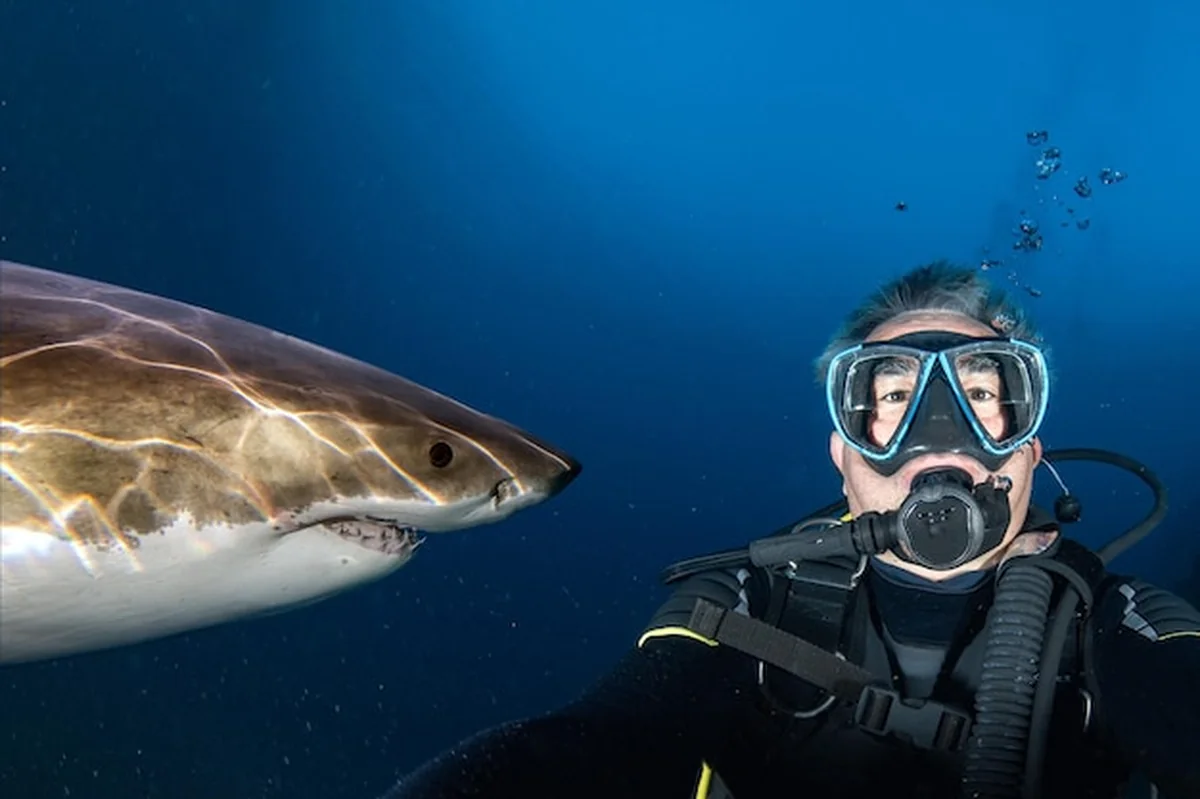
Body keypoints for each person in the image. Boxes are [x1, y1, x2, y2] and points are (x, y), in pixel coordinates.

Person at [383, 262, 1200, 799]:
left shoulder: (1123, 621)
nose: (941, 434)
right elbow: (596, 747)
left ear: (1029, 452)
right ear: (843, 454)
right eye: (891, 399)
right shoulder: (744, 605)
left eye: (985, 396)